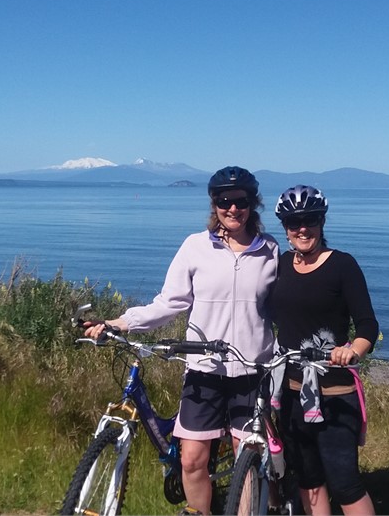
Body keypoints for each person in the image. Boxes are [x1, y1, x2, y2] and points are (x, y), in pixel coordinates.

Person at [83, 166, 279, 515]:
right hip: (203, 370)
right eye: (224, 201)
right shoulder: (195, 247)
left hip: (252, 370)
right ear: (214, 204)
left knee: (246, 457)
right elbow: (170, 303)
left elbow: (288, 306)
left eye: (241, 201)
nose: (233, 208)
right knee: (191, 460)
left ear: (253, 204)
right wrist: (120, 322)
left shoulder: (270, 251)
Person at [269, 185, 379, 516]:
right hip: (290, 394)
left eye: (311, 220)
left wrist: (353, 352)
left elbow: (367, 325)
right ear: (285, 228)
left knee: (345, 483)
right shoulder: (280, 265)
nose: (303, 228)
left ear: (322, 222)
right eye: (294, 222)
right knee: (308, 478)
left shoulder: (342, 266)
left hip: (335, 395)